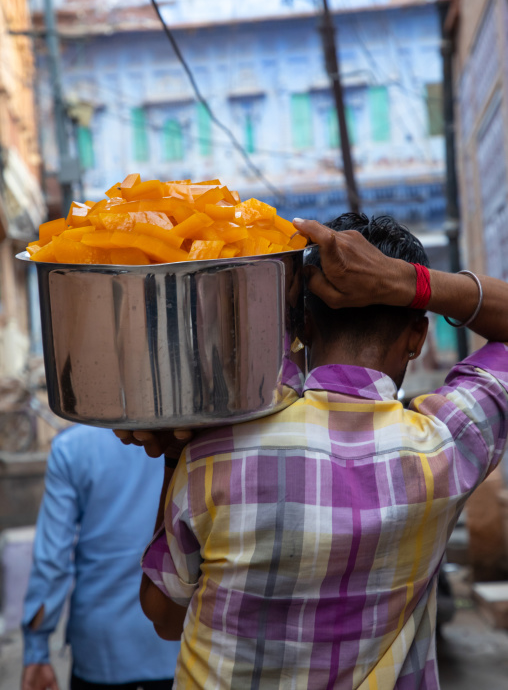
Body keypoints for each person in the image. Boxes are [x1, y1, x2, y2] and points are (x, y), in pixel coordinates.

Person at [117, 212, 508, 689]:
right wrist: (409, 283)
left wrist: (177, 451)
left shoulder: (215, 451)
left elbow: (164, 618)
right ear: (416, 337)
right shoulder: (444, 447)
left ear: (302, 323)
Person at [21, 425, 180, 690]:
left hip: (102, 649)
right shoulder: (188, 437)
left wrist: (36, 652)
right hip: (177, 639)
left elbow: (52, 562)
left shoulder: (72, 447)